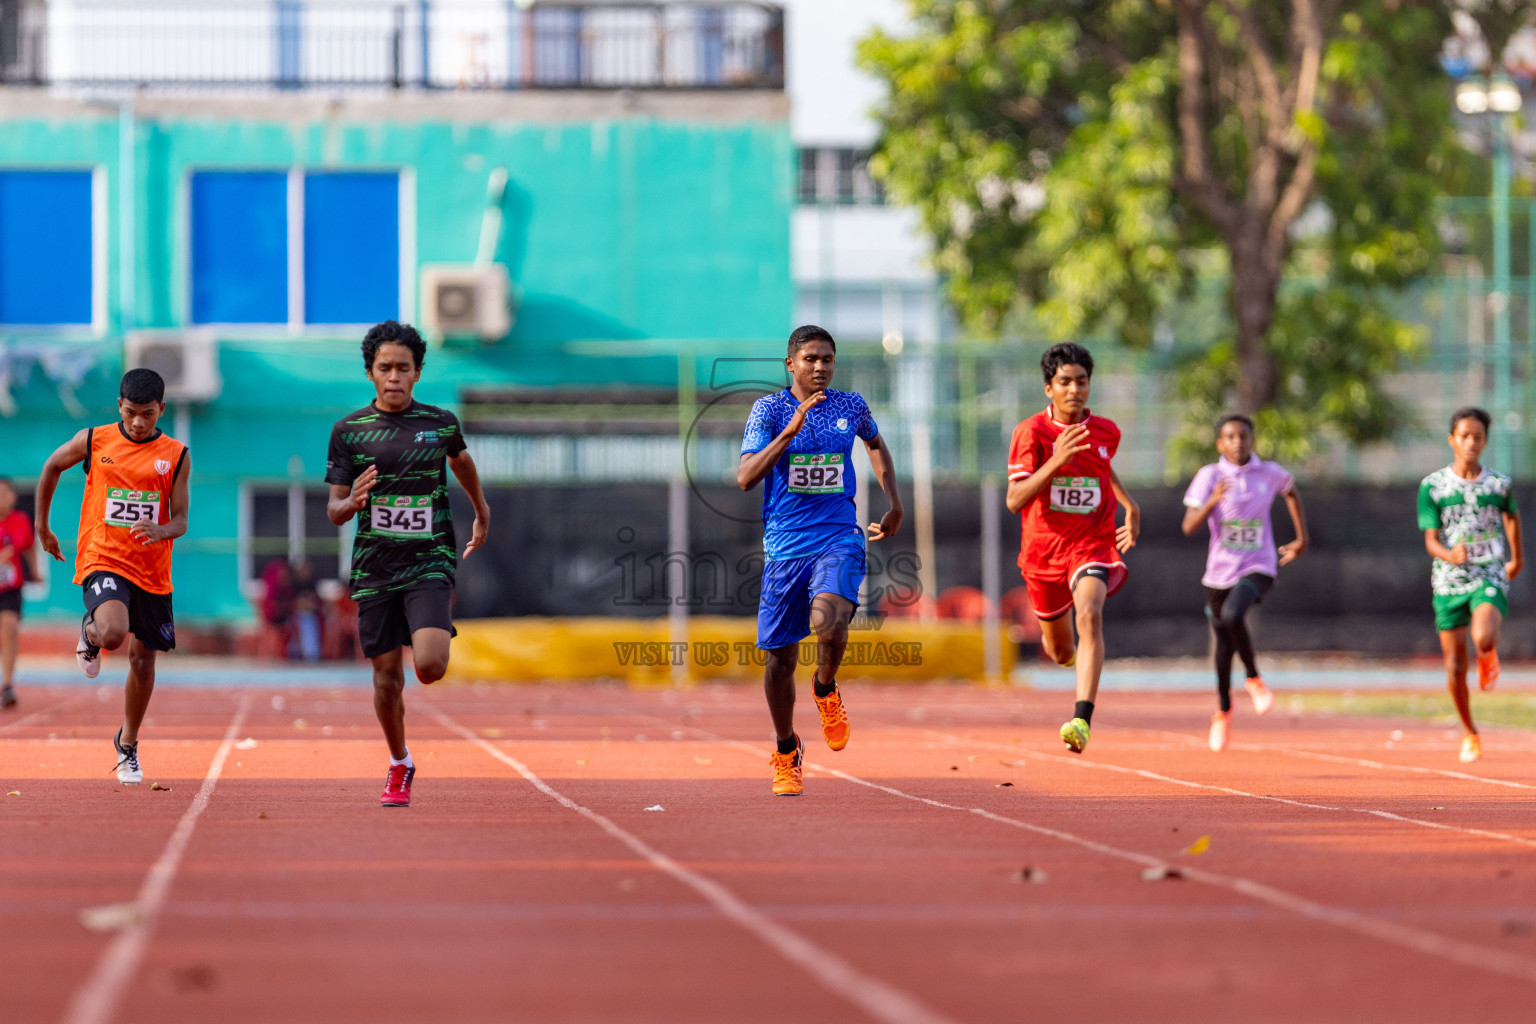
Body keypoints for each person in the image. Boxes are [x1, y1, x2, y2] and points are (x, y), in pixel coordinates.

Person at [326, 320, 490, 808]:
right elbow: (333, 511)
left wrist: (482, 511)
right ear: (370, 373)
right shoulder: (349, 432)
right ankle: (399, 762)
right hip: (375, 568)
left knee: (432, 666)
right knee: (385, 680)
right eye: (384, 368)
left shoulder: (439, 424)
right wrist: (352, 502)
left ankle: (424, 640)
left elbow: (461, 461)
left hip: (429, 560)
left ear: (417, 372)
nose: (394, 376)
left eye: (403, 368)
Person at [738, 324, 903, 796]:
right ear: (790, 364)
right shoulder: (768, 410)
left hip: (839, 536)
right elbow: (745, 477)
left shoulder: (850, 406)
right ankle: (787, 750)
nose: (820, 367)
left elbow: (874, 443)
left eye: (827, 359)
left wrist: (894, 502)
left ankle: (826, 688)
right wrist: (790, 431)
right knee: (778, 661)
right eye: (810, 359)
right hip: (785, 549)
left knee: (828, 617)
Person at [34, 369, 190, 785]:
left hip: (152, 570)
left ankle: (128, 743)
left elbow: (181, 520)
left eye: (149, 414)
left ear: (162, 410)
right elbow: (51, 467)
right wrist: (42, 526)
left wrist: (163, 530)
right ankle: (93, 629)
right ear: (119, 405)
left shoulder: (175, 455)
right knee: (114, 633)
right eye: (132, 412)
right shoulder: (94, 440)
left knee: (143, 660)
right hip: (104, 556)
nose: (140, 422)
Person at [1006, 342, 1139, 754]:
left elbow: (1102, 465)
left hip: (1092, 542)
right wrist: (1056, 461)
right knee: (1061, 650)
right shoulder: (1031, 433)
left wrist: (1129, 504)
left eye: (1082, 381)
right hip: (1043, 552)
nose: (1074, 390)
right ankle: (1067, 656)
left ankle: (1081, 718)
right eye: (1065, 382)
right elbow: (1014, 500)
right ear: (1049, 388)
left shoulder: (1107, 431)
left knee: (1090, 613)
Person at [1181, 415, 1309, 751]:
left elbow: (1291, 492)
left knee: (1234, 616)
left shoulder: (1269, 472)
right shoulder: (1210, 476)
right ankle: (1223, 712)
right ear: (1220, 444)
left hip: (1260, 564)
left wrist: (1301, 538)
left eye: (1243, 436)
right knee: (1223, 645)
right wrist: (1212, 501)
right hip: (1219, 571)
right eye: (1230, 437)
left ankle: (1254, 678)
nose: (1238, 442)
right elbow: (1188, 526)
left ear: (1252, 440)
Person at [1418, 407, 1523, 764]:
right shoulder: (1433, 486)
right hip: (1448, 581)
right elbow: (1431, 540)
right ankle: (1469, 732)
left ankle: (1488, 652)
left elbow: (1512, 517)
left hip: (1489, 573)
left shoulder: (1498, 484)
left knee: (1483, 636)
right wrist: (1449, 554)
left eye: (1478, 436)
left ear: (1485, 441)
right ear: (1452, 440)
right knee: (1454, 667)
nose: (1471, 443)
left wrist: (1517, 557)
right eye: (1464, 436)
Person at [0, 479, 37, 710]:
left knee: (10, 626)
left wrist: (35, 571)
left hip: (11, 588)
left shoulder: (21, 521)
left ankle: (7, 684)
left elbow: (30, 547)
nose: (2, 498)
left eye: (6, 493)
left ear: (14, 496)